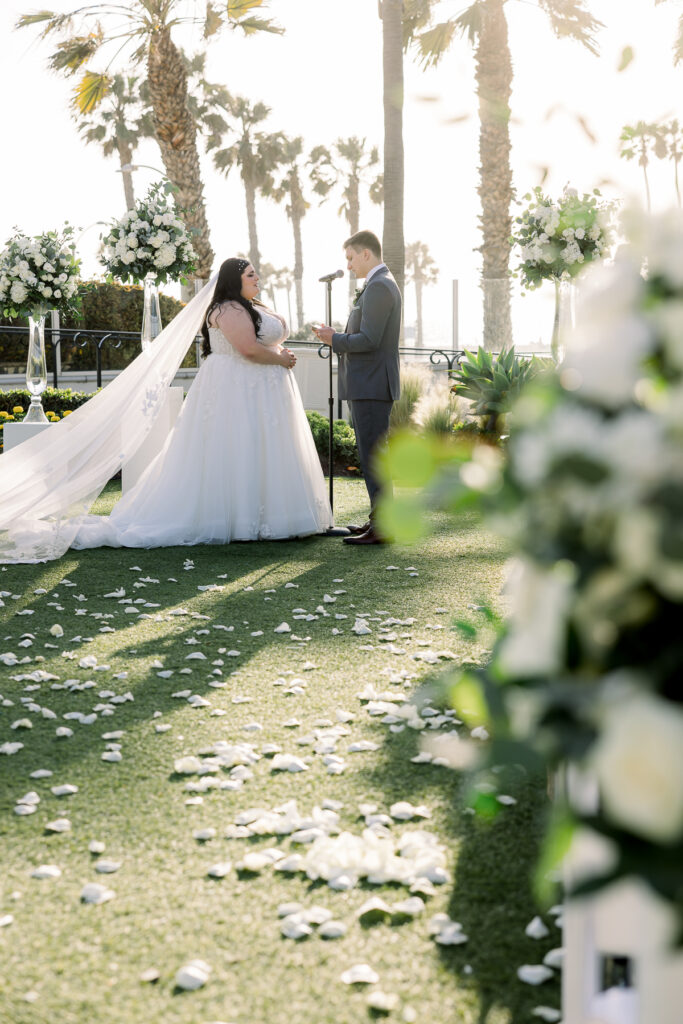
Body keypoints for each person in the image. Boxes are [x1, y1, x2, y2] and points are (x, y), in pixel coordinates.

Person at [71, 258, 333, 549]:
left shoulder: (254, 306)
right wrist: (281, 359)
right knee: (239, 447)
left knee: (265, 448)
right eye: (250, 275)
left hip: (265, 390)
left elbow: (264, 339)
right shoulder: (226, 309)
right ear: (235, 281)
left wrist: (281, 353)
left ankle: (275, 517)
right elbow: (247, 348)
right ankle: (240, 520)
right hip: (238, 387)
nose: (257, 278)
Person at [313, 231, 401, 546]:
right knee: (371, 454)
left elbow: (369, 340)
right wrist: (336, 336)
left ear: (366, 254)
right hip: (369, 384)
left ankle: (384, 526)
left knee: (374, 456)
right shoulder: (378, 285)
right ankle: (379, 520)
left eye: (350, 258)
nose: (349, 265)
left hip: (373, 385)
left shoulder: (379, 286)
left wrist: (333, 339)